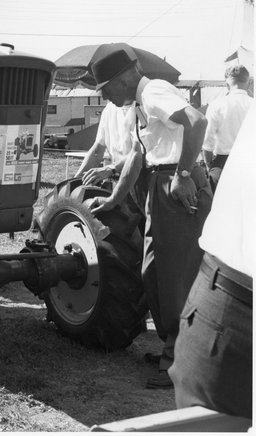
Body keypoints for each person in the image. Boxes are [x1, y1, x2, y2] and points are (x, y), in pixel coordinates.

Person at [88, 49, 213, 390]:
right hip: (158, 186)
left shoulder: (153, 91)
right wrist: (114, 198)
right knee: (153, 273)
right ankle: (171, 348)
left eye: (105, 90)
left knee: (176, 278)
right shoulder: (137, 105)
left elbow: (197, 121)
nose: (105, 97)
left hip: (175, 186)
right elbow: (137, 156)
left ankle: (183, 363)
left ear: (123, 80)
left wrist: (184, 174)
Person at [170, 104, 254, 419]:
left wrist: (189, 171)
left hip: (222, 165)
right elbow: (197, 123)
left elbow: (205, 140)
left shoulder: (221, 103)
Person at [201, 64, 252, 191]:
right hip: (250, 164)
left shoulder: (217, 105)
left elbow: (207, 143)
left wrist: (209, 166)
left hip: (222, 165)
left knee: (222, 208)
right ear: (249, 82)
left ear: (226, 84)